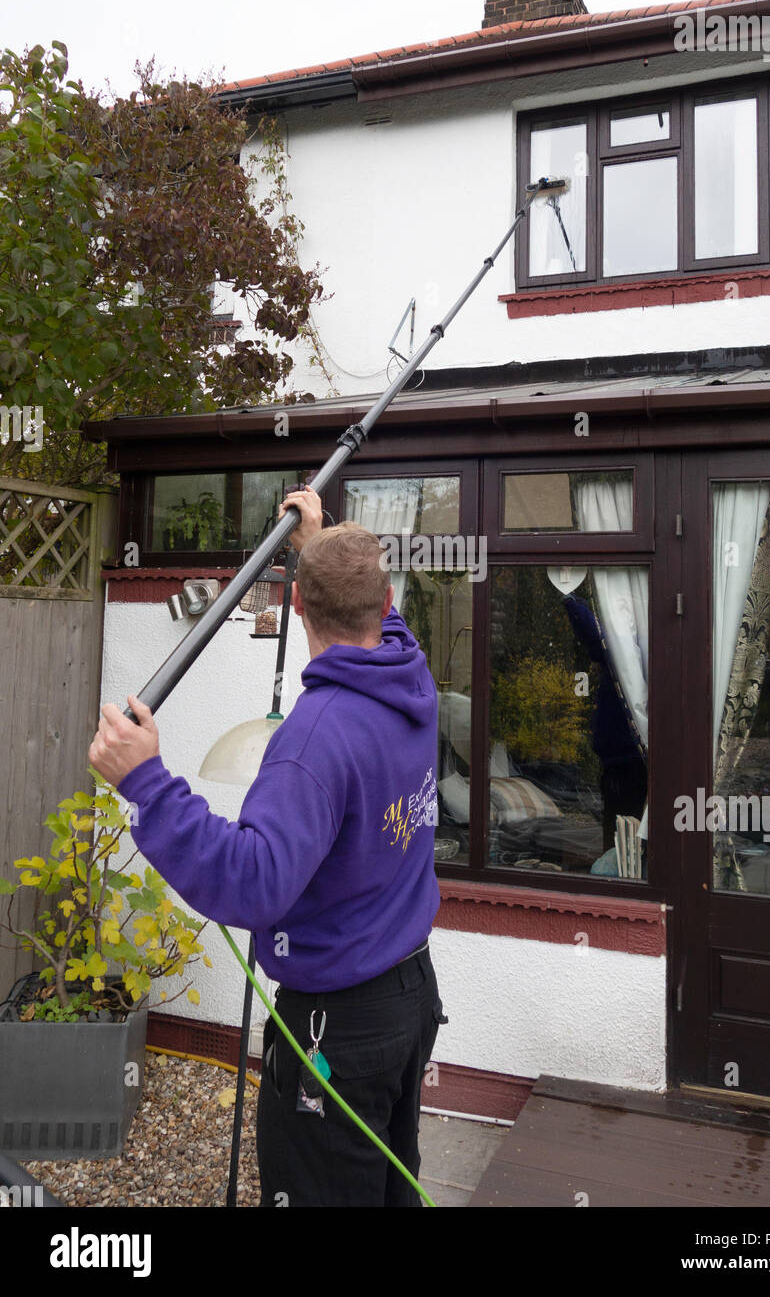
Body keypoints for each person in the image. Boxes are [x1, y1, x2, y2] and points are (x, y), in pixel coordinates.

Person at [88, 487, 446, 1208]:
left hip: (337, 1027)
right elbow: (384, 619)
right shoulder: (413, 679)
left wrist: (148, 783)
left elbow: (252, 886)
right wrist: (315, 541)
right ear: (385, 605)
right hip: (410, 1002)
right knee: (387, 1186)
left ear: (299, 609)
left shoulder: (311, 742)